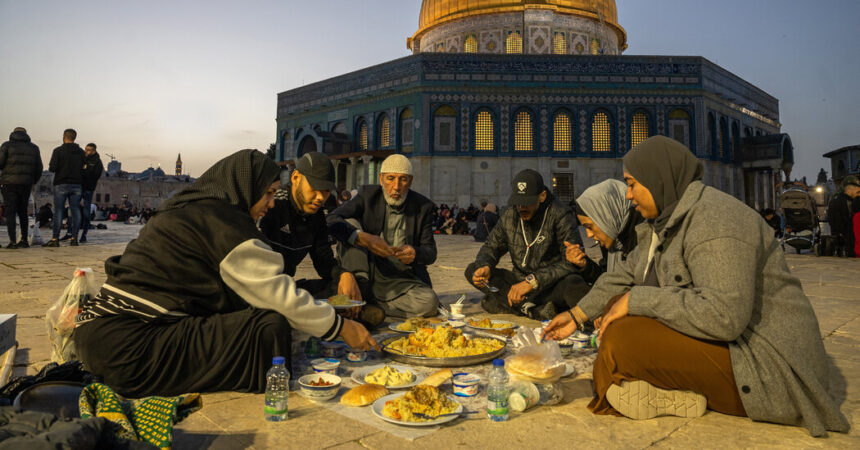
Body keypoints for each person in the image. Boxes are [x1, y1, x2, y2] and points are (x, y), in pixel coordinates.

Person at [542, 136, 849, 437]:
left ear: (658, 177)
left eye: (632, 183)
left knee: (621, 343)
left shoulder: (716, 221)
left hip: (770, 369)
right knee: (616, 324)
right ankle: (671, 393)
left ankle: (669, 391)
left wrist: (638, 300)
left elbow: (724, 316)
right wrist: (577, 315)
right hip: (740, 348)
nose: (628, 196)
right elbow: (623, 275)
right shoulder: (668, 221)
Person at [75, 149, 379, 397]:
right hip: (129, 349)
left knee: (261, 315)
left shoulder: (196, 210)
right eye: (268, 194)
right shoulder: (223, 222)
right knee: (268, 328)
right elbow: (275, 293)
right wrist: (341, 328)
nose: (271, 204)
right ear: (244, 188)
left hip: (103, 337)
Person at [259, 152, 384, 327]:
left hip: (290, 290)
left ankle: (333, 313)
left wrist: (344, 275)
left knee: (356, 287)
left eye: (325, 191)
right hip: (264, 292)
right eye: (314, 189)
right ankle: (332, 316)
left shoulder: (316, 214)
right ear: (295, 177)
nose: (320, 197)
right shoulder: (272, 205)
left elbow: (324, 261)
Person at [465, 169, 589, 320]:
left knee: (573, 284)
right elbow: (491, 246)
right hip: (517, 283)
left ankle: (511, 305)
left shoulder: (561, 214)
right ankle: (531, 309)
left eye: (527, 202)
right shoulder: (510, 214)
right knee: (472, 270)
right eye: (518, 202)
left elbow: (572, 261)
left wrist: (533, 281)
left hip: (549, 284)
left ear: (542, 196)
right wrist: (485, 265)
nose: (521, 208)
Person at [327, 154, 439, 318]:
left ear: (411, 181)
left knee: (429, 303)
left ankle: (369, 304)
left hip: (399, 278)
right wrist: (362, 238)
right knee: (350, 223)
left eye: (403, 180)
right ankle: (362, 289)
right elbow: (331, 219)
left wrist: (415, 253)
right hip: (367, 268)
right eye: (391, 178)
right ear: (381, 179)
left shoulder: (423, 206)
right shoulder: (367, 196)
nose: (396, 186)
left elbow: (430, 252)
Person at [564, 179, 643, 284]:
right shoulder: (612, 237)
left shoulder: (643, 236)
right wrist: (585, 265)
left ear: (608, 216)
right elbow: (606, 279)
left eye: (590, 227)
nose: (589, 234)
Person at [0, 127, 42, 248]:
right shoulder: (34, 148)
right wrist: (33, 181)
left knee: (10, 212)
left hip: (9, 183)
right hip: (26, 184)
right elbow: (39, 167)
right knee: (23, 212)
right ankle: (24, 240)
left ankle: (13, 241)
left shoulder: (7, 145)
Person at [44, 129, 85, 247]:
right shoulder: (81, 152)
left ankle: (55, 239)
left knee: (59, 211)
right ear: (74, 138)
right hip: (77, 184)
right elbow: (84, 167)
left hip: (61, 183)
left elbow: (52, 168)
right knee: (75, 210)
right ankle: (74, 238)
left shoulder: (58, 151)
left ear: (64, 137)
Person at [827, 176, 859, 257]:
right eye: (857, 191)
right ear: (850, 189)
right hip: (848, 239)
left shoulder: (837, 199)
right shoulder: (841, 202)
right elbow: (840, 224)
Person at [78, 143, 103, 243]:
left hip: (88, 188)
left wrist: (85, 171)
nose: (86, 152)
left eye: (88, 150)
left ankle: (84, 234)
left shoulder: (97, 162)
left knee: (86, 211)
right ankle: (70, 233)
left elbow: (94, 175)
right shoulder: (83, 158)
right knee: (73, 208)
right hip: (79, 187)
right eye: (85, 149)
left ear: (94, 151)